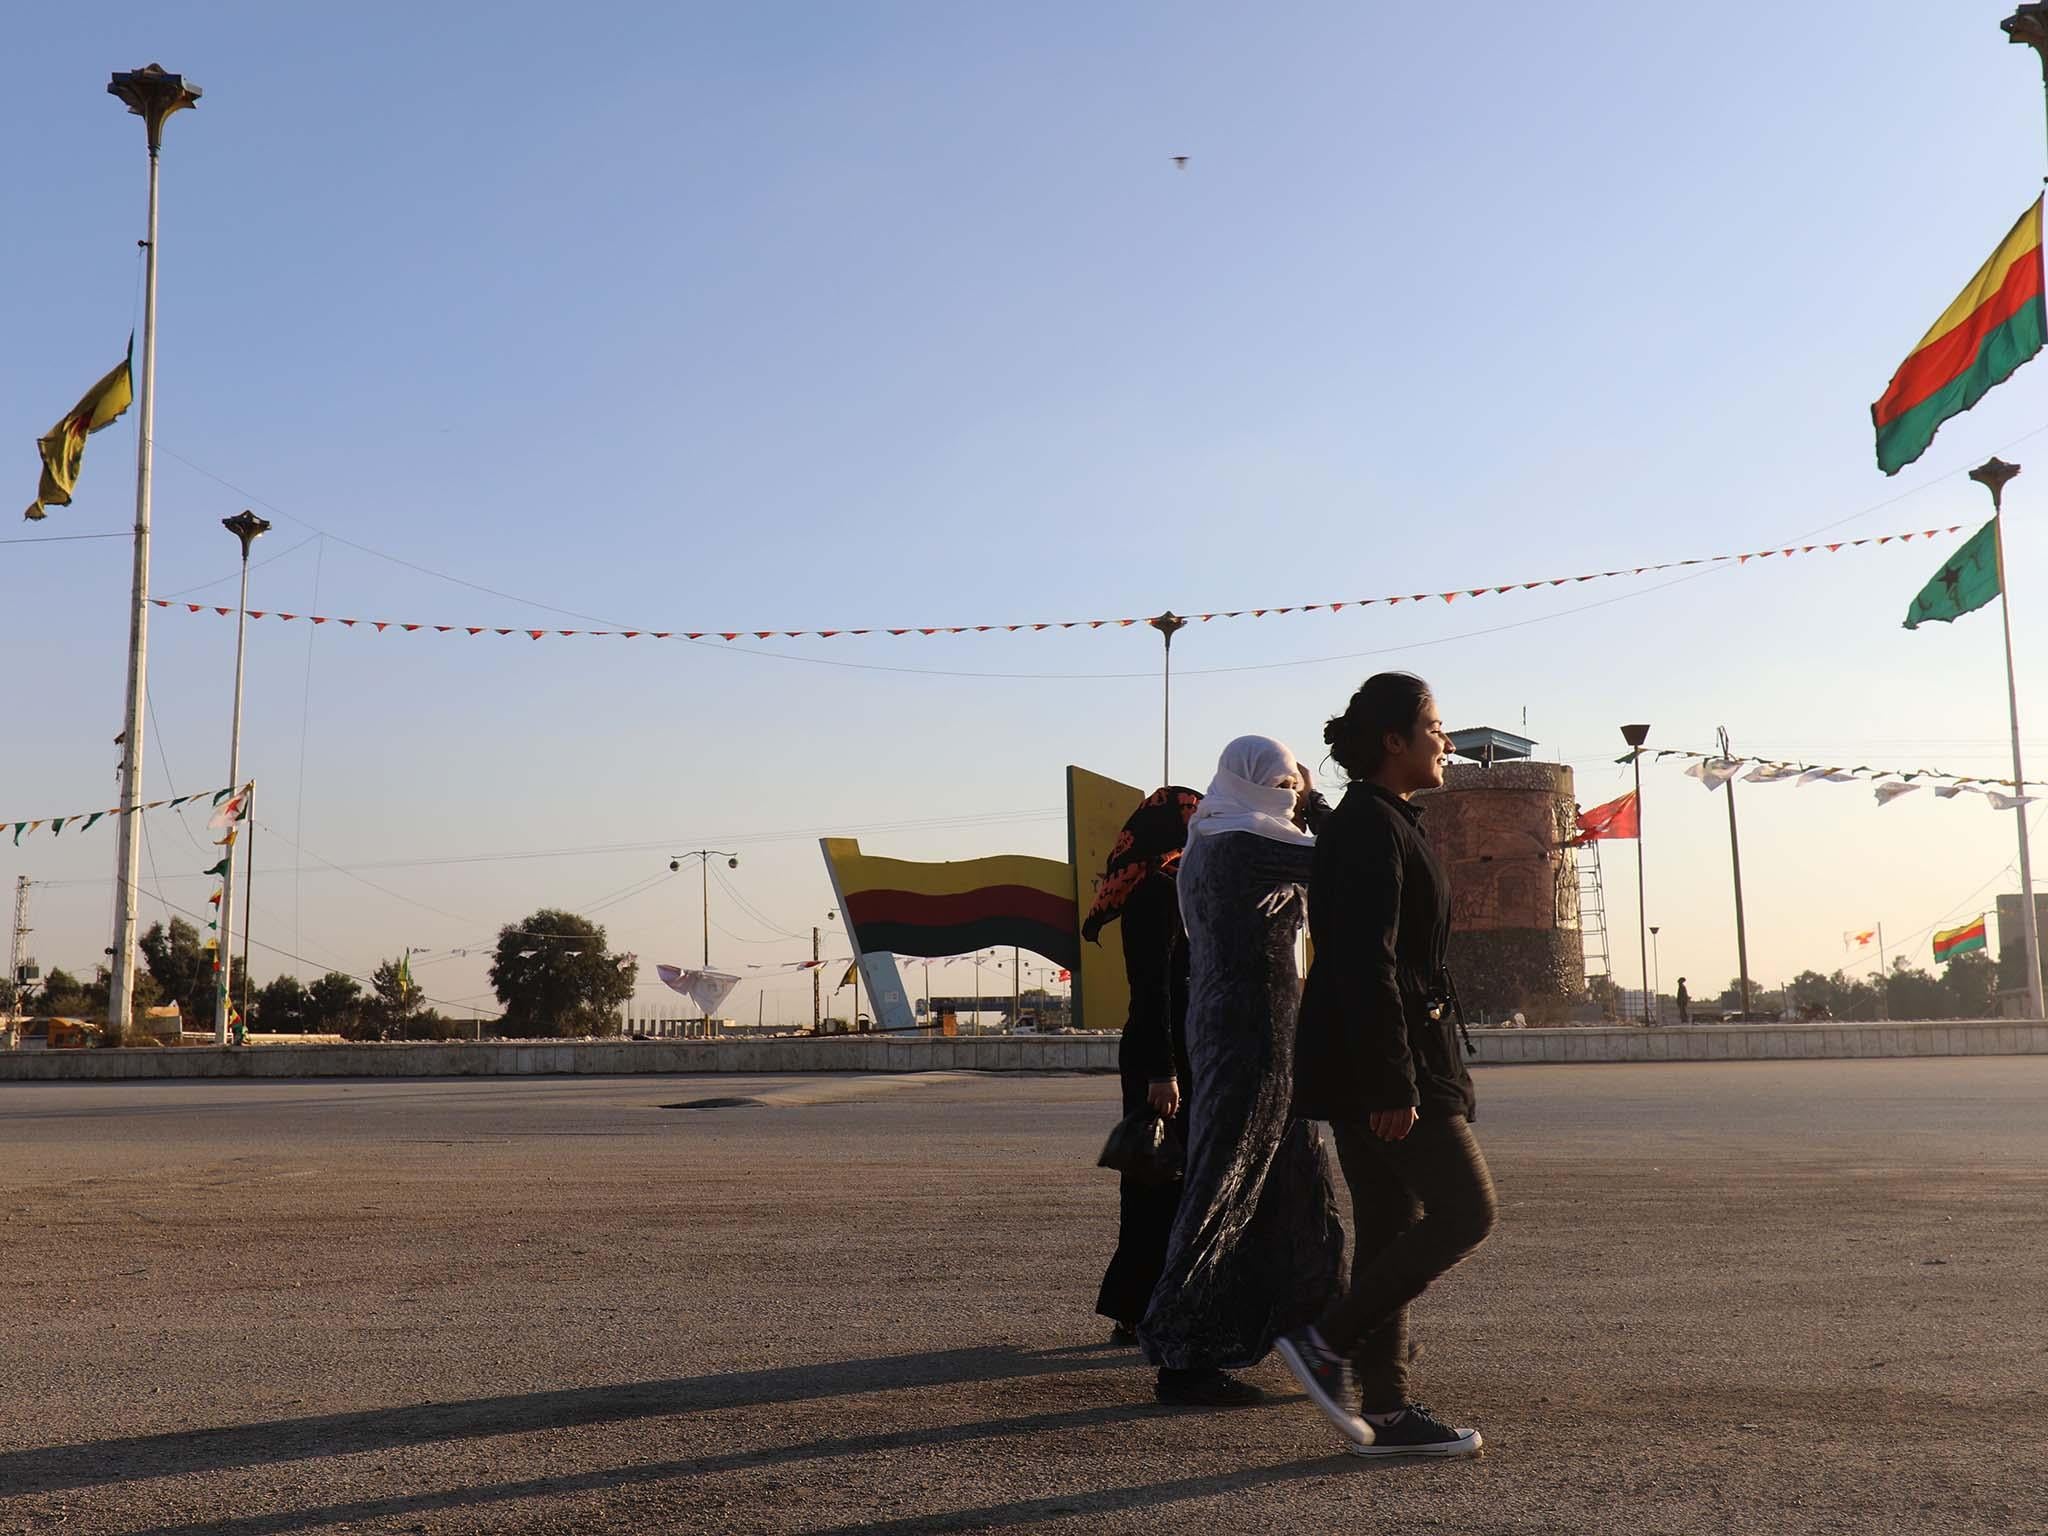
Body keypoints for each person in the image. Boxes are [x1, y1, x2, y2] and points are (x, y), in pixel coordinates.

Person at [1275, 673, 1495, 1458]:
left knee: (1391, 1224)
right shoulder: (1371, 826)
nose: (1446, 739)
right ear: (1394, 741)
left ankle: (1390, 1409)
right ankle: (1325, 1341)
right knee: (1468, 1211)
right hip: (1390, 1064)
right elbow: (1364, 964)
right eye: (1435, 725)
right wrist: (1394, 1082)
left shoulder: (1380, 820)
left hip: (1385, 1057)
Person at [1138, 735, 1347, 1407]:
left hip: (1258, 1029)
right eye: (1285, 786)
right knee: (1223, 1186)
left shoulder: (1221, 830)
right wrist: (1317, 804)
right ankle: (1182, 1354)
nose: (1292, 797)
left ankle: (1319, 1330)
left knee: (1295, 1181)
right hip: (1247, 1032)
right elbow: (1353, 861)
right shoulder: (1241, 843)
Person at [1085, 785, 1204, 1344]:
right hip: (1163, 1059)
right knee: (1155, 1180)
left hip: (1177, 1054)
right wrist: (1163, 1071)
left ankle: (1146, 1304)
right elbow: (1151, 990)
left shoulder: (1174, 884)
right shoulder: (1156, 891)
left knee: (1169, 1182)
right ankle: (1135, 1308)